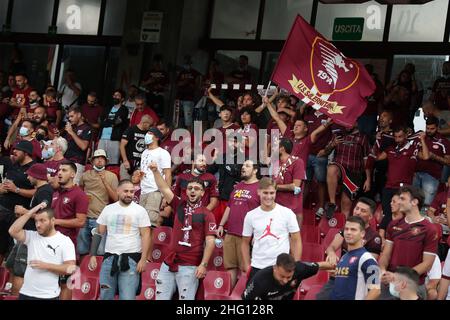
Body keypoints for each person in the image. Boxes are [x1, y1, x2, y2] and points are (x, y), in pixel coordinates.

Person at [149, 162, 216, 300]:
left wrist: (203, 265)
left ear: (202, 193)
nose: (192, 191)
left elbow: (210, 241)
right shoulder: (179, 204)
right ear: (185, 191)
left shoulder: (207, 214)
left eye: (196, 188)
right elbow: (164, 188)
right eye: (190, 188)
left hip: (190, 267)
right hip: (168, 263)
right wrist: (156, 171)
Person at [88, 179, 151, 300]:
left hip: (131, 260)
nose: (129, 194)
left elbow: (146, 235)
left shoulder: (140, 210)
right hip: (109, 259)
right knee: (105, 296)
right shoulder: (108, 209)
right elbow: (99, 232)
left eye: (132, 192)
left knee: (127, 297)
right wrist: (92, 255)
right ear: (118, 191)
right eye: (126, 191)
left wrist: (143, 259)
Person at [378, 185, 439, 300]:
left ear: (414, 202)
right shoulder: (393, 224)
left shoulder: (429, 229)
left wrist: (400, 277)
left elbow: (427, 264)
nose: (398, 202)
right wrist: (382, 271)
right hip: (390, 283)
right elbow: (386, 254)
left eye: (402, 199)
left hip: (413, 286)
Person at [8, 203, 76, 300]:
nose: (38, 225)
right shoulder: (32, 236)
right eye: (36, 221)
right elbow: (12, 231)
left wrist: (46, 266)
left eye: (42, 221)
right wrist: (31, 211)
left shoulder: (64, 241)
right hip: (25, 293)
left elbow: (71, 268)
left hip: (48, 296)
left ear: (52, 221)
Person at [317, 197, 382, 300]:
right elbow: (331, 247)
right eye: (357, 208)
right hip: (339, 275)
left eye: (363, 210)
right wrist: (332, 253)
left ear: (370, 216)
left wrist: (342, 270)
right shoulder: (346, 232)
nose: (358, 212)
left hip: (354, 280)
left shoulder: (374, 239)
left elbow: (374, 285)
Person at [5, 163, 54, 295]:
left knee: (20, 271)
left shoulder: (45, 191)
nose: (27, 178)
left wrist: (24, 211)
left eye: (29, 175)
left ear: (36, 176)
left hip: (33, 236)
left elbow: (44, 217)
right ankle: (10, 291)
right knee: (10, 265)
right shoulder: (40, 189)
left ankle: (15, 296)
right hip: (26, 234)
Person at [241, 177, 302, 282]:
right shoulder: (250, 216)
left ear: (275, 192)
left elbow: (296, 240)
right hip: (257, 268)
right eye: (265, 193)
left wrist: (295, 268)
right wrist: (247, 267)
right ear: (258, 192)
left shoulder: (287, 213)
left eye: (272, 193)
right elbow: (244, 243)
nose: (269, 197)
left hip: (281, 269)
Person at [376, 128, 429, 231]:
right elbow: (377, 157)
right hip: (388, 188)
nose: (397, 140)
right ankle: (384, 237)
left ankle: (396, 235)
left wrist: (422, 139)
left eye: (400, 137)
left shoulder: (413, 149)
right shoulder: (390, 149)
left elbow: (426, 156)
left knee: (400, 215)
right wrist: (378, 140)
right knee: (387, 214)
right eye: (395, 137)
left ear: (406, 135)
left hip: (403, 189)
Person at [217, 160, 260, 286]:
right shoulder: (238, 186)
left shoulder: (259, 187)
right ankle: (230, 295)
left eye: (247, 166)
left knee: (245, 269)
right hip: (230, 233)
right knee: (230, 267)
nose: (243, 168)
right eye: (243, 165)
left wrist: (256, 235)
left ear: (255, 170)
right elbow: (229, 207)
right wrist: (221, 225)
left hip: (246, 236)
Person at [51, 160, 88, 300]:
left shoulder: (79, 195)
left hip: (67, 245)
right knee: (50, 279)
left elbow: (81, 221)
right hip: (51, 242)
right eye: (59, 170)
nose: (59, 173)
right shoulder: (55, 193)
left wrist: (55, 222)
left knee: (65, 282)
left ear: (73, 174)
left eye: (64, 170)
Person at [0, 141, 36, 264]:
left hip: (17, 216)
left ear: (26, 153)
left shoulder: (34, 168)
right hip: (2, 210)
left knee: (10, 252)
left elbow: (38, 191)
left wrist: (17, 190)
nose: (13, 152)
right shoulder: (13, 165)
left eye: (17, 150)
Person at [324, 124, 371, 218]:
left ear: (356, 122)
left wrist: (368, 179)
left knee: (346, 204)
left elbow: (366, 159)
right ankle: (332, 204)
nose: (347, 125)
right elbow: (325, 152)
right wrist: (333, 144)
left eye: (350, 123)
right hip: (339, 168)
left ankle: (343, 229)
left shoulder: (362, 137)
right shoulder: (337, 135)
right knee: (331, 169)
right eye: (345, 123)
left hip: (354, 172)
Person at [77, 149, 119, 256]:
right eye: (97, 158)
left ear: (106, 161)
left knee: (100, 251)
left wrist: (104, 181)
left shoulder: (112, 176)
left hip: (101, 218)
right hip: (84, 216)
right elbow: (79, 190)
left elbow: (116, 199)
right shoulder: (85, 175)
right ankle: (82, 271)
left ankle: (98, 272)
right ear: (92, 161)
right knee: (81, 249)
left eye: (102, 159)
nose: (99, 161)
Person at [329, 216, 381, 300]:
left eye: (353, 230)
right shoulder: (344, 257)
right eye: (346, 229)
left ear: (362, 233)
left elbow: (376, 290)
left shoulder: (368, 258)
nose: (348, 232)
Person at [242, 253, 333, 300]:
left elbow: (320, 265)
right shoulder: (260, 279)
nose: (285, 281)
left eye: (289, 277)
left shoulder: (300, 269)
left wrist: (340, 268)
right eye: (282, 276)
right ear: (275, 268)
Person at [414, 116, 450, 207]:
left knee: (427, 205)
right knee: (413, 203)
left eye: (432, 128)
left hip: (431, 177)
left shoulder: (444, 142)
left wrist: (434, 156)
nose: (429, 130)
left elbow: (448, 162)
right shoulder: (420, 138)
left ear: (437, 127)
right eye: (427, 128)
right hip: (416, 174)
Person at [139, 128, 171, 228]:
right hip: (143, 191)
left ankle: (150, 243)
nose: (147, 135)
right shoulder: (144, 152)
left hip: (155, 191)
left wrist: (166, 196)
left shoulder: (163, 153)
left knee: (150, 222)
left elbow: (168, 174)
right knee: (140, 222)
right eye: (147, 132)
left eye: (150, 133)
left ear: (156, 137)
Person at [98, 90, 129, 165]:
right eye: (114, 95)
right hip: (102, 138)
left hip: (114, 139)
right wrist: (111, 122)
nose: (115, 97)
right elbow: (100, 121)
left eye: (117, 95)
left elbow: (118, 121)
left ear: (122, 99)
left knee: (112, 163)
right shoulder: (108, 108)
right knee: (99, 161)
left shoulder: (124, 109)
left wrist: (107, 122)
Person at [63, 106, 92, 184]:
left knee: (73, 187)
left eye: (72, 116)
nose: (70, 119)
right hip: (66, 161)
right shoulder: (72, 127)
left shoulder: (87, 128)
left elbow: (84, 146)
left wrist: (72, 133)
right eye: (69, 117)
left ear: (79, 115)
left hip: (77, 163)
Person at [120, 114, 152, 180]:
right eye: (150, 125)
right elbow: (122, 145)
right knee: (125, 184)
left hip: (141, 165)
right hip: (128, 162)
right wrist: (125, 161)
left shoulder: (149, 133)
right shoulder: (131, 130)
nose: (150, 127)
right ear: (145, 123)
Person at [176, 54, 201, 132]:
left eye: (188, 62)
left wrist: (188, 83)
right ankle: (177, 136)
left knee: (188, 120)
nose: (186, 64)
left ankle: (189, 138)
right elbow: (177, 84)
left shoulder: (195, 73)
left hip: (189, 99)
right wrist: (185, 82)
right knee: (177, 119)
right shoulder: (181, 72)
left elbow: (197, 86)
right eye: (185, 62)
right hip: (179, 98)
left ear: (191, 63)